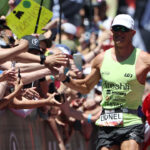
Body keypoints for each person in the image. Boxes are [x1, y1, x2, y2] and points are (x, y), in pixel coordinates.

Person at [59, 14, 150, 150]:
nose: (119, 33)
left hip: (131, 121)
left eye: (123, 29)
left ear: (132, 33)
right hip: (108, 121)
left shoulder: (143, 58)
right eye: (116, 29)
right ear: (111, 32)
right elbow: (85, 87)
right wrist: (65, 79)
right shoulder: (101, 59)